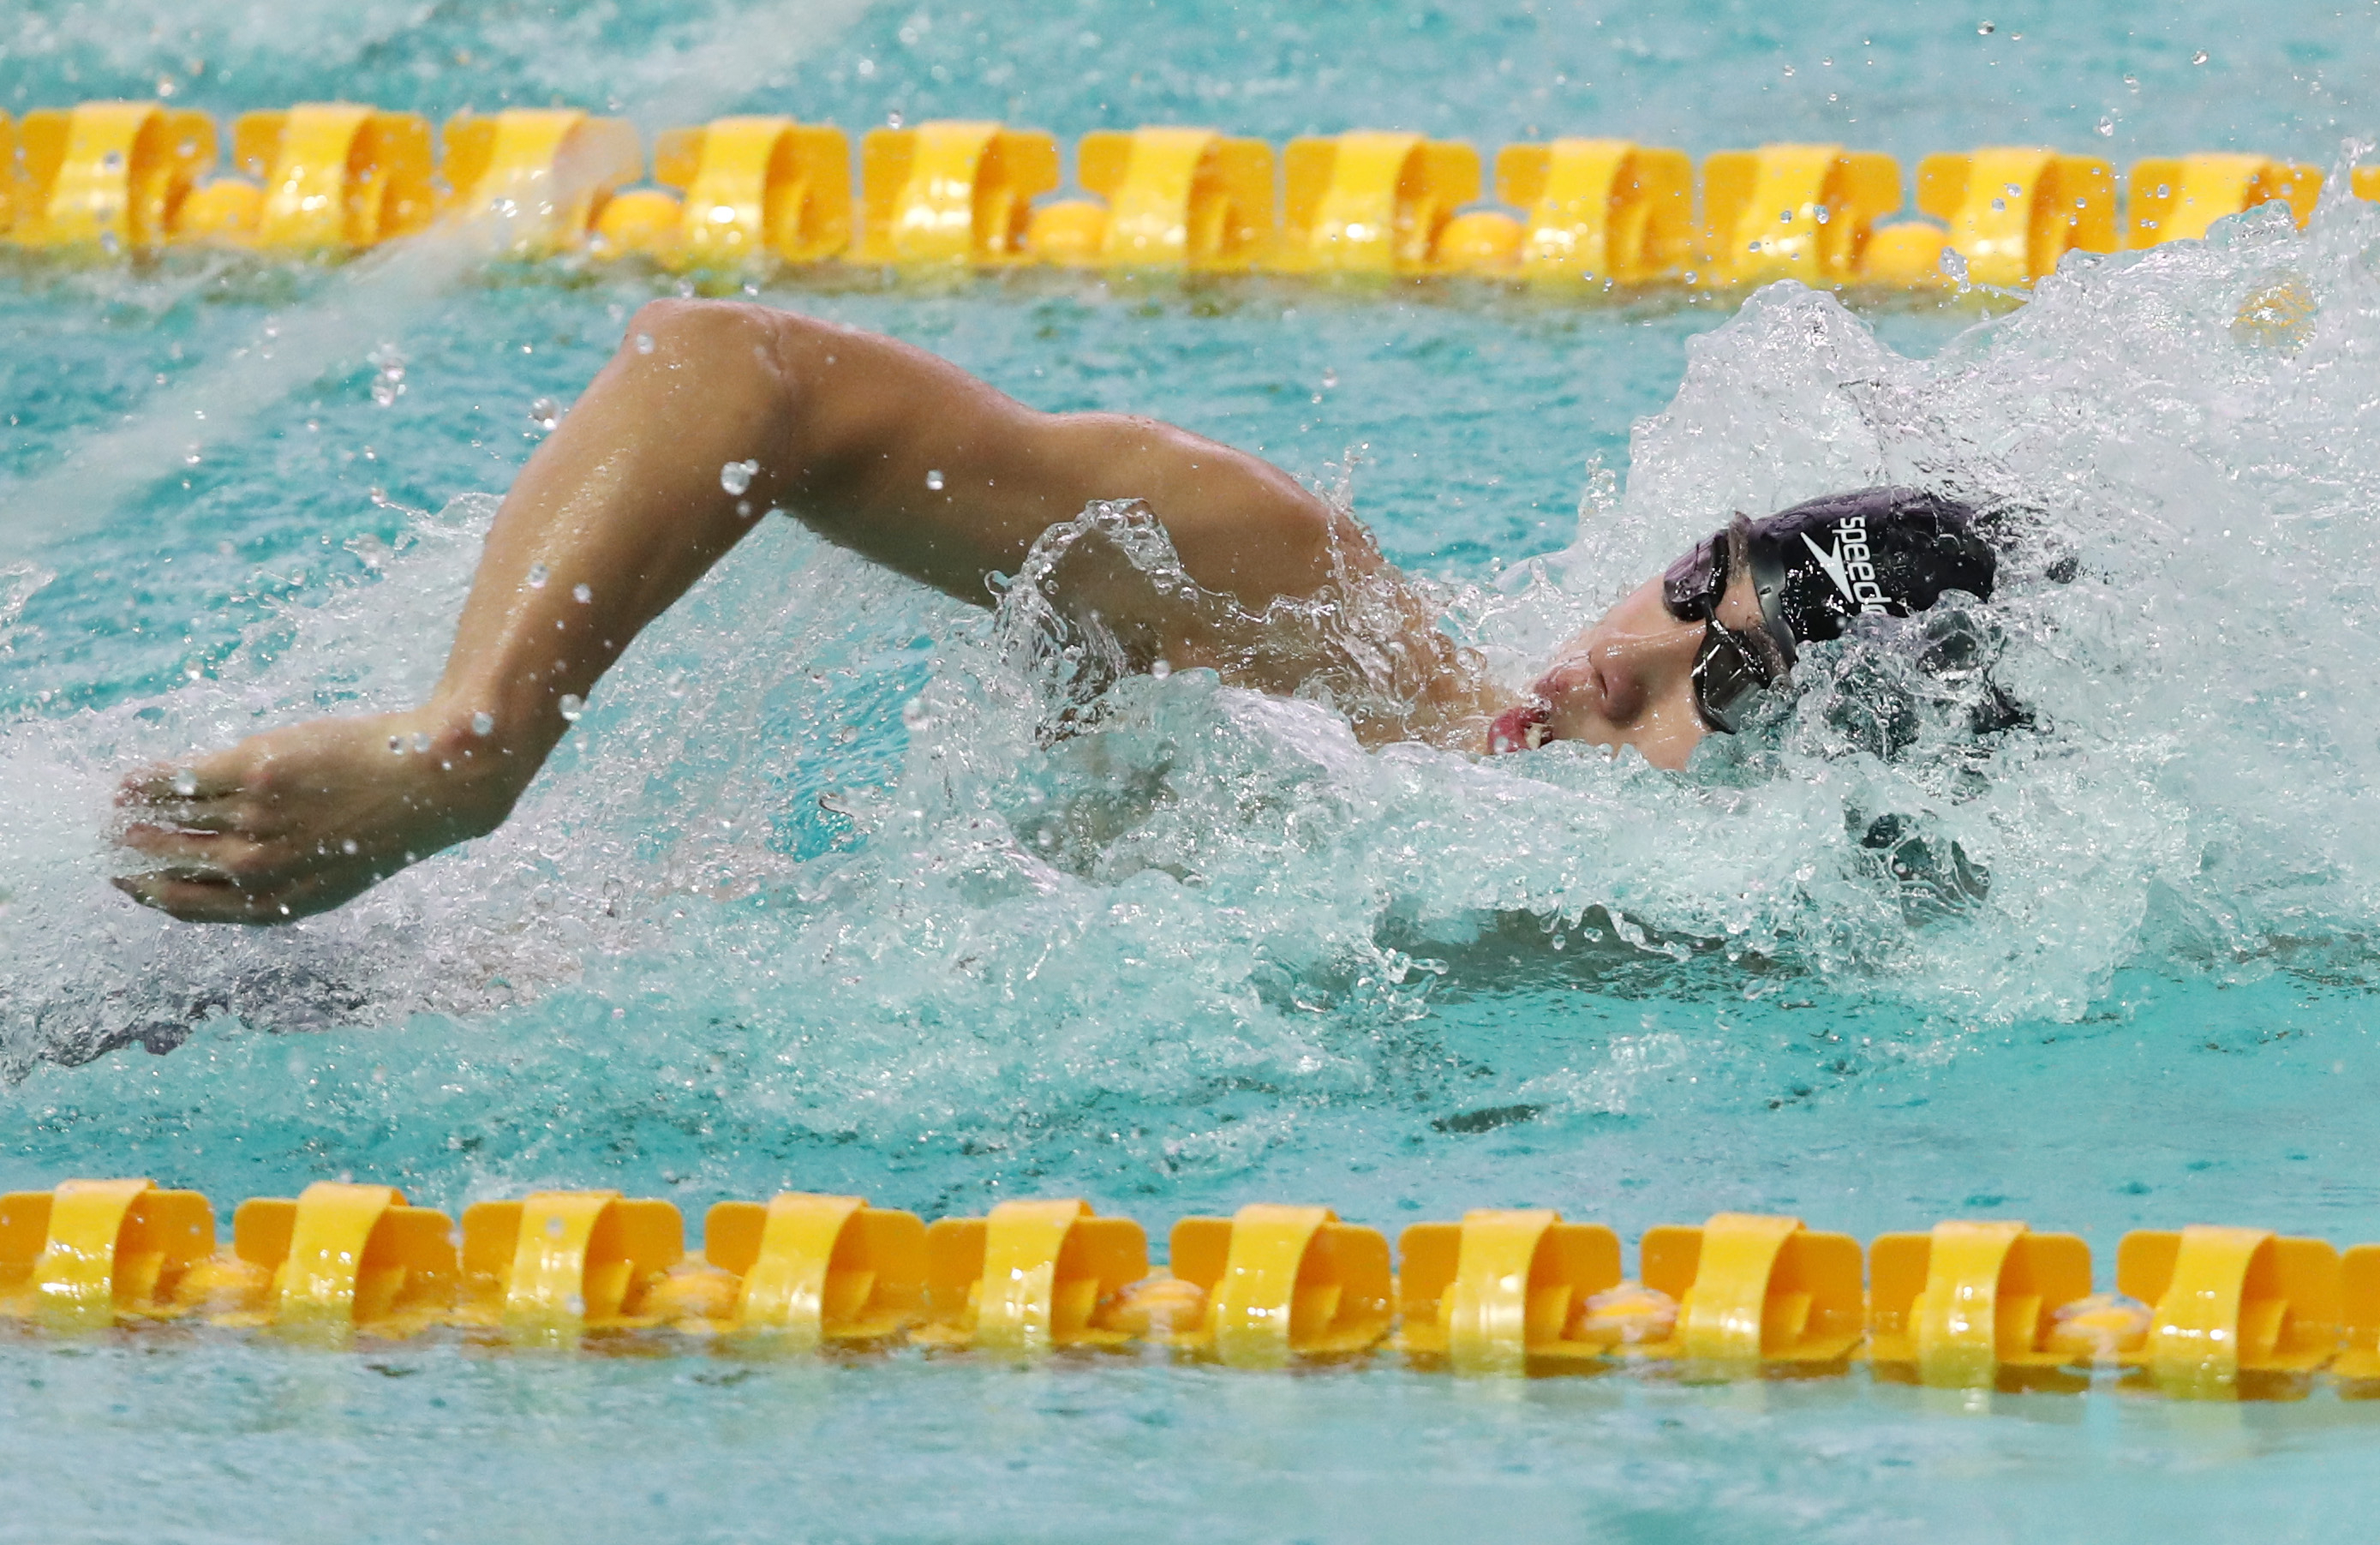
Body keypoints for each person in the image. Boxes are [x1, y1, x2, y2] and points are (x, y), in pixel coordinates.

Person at [112, 300, 1996, 925]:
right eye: (1688, 585)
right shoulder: (1296, 619)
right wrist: (474, 742)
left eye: (1725, 684)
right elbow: (733, 368)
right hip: (316, 957)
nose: (1614, 659)